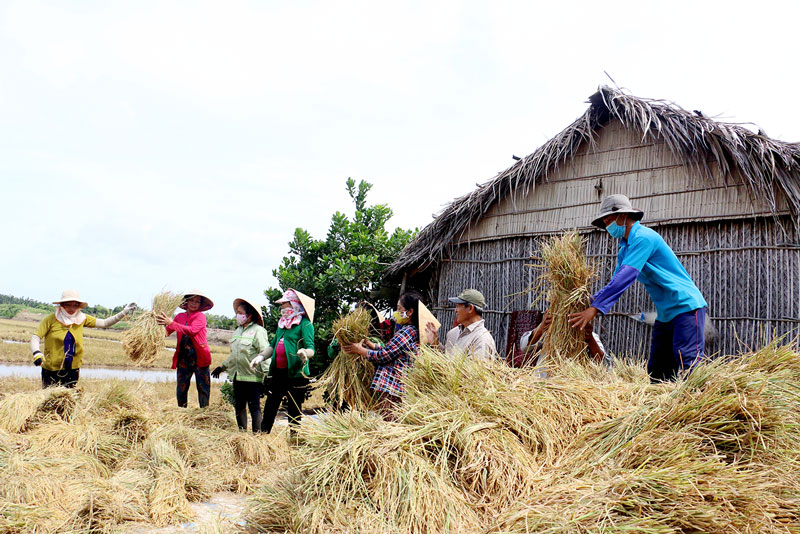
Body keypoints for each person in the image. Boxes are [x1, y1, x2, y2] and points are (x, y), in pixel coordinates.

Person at [568, 194, 708, 382]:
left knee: (689, 361)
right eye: (604, 221)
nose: (607, 225)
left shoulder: (644, 238)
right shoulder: (625, 248)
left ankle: (699, 407)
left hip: (685, 305)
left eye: (608, 219)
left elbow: (626, 277)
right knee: (657, 369)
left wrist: (594, 309)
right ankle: (660, 408)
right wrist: (588, 301)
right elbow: (615, 281)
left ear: (623, 216)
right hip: (666, 313)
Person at [30, 289, 136, 388]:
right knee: (50, 402)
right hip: (51, 369)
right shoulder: (51, 319)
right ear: (62, 305)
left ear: (79, 306)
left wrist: (124, 312)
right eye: (68, 305)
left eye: (75, 305)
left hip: (72, 369)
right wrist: (36, 353)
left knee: (68, 401)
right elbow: (36, 337)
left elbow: (105, 323)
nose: (72, 309)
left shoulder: (82, 318)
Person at [343, 290, 423, 419]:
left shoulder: (407, 332)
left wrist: (360, 351)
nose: (396, 313)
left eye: (399, 309)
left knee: (390, 420)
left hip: (394, 387)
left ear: (410, 312)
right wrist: (371, 345)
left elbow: (384, 356)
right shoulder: (410, 331)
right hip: (396, 388)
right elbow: (392, 351)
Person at [256, 289, 315, 434]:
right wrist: (261, 356)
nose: (283, 309)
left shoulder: (305, 324)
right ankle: (263, 435)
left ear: (295, 305)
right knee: (271, 404)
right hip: (278, 372)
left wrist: (304, 354)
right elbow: (273, 345)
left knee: (294, 408)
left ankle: (295, 439)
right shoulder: (282, 324)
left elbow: (311, 348)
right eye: (282, 306)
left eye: (285, 305)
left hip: (296, 374)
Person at [211, 298, 272, 432]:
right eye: (237, 312)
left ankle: (257, 436)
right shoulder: (237, 331)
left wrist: (268, 375)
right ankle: (242, 434)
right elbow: (234, 355)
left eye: (240, 312)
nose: (237, 315)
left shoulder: (258, 331)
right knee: (239, 406)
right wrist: (222, 367)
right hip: (238, 377)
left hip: (252, 377)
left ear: (249, 315)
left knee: (254, 406)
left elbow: (265, 352)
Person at [156, 290, 214, 408]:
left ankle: (205, 414)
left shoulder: (200, 317)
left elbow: (192, 330)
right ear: (186, 302)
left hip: (200, 358)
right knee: (181, 388)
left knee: (203, 388)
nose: (193, 303)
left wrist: (171, 323)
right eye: (191, 300)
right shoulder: (179, 317)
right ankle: (181, 412)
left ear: (200, 305)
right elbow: (167, 332)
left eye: (197, 301)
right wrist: (156, 328)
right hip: (183, 358)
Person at [425, 288, 498, 359]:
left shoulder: (481, 339)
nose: (455, 310)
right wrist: (435, 344)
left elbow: (470, 371)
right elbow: (446, 361)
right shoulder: (453, 333)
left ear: (470, 308)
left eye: (458, 306)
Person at [520, 310, 610, 366]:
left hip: (574, 386)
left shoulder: (589, 335)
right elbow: (524, 347)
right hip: (544, 384)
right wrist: (541, 328)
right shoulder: (548, 333)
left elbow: (604, 364)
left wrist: (590, 339)